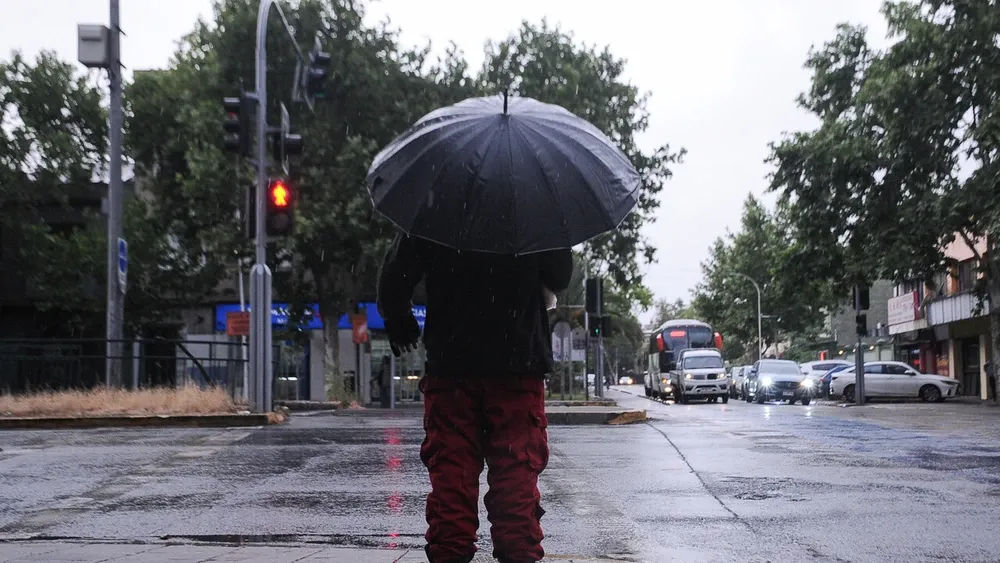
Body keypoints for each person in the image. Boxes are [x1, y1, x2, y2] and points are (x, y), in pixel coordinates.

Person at [377, 233, 573, 563]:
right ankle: (517, 555)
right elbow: (559, 275)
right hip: (517, 362)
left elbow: (396, 272)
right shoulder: (531, 203)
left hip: (452, 363)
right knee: (516, 482)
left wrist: (399, 319)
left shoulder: (438, 198)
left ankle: (450, 554)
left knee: (452, 479)